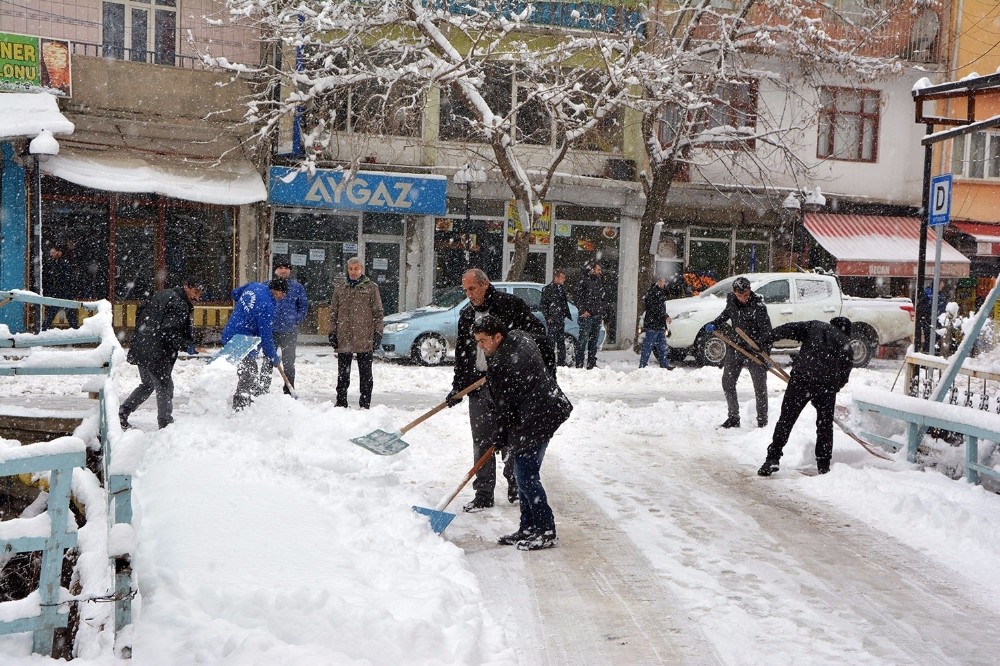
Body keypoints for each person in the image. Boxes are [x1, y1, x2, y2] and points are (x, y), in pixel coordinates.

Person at [446, 268, 553, 512]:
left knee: (511, 438)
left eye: (472, 288)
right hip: (478, 385)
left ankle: (517, 485)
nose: (469, 294)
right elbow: (463, 356)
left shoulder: (511, 306)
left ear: (485, 285)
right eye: (465, 290)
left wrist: (511, 356)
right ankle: (483, 493)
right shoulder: (466, 315)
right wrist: (457, 387)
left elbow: (537, 334)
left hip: (508, 386)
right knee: (482, 440)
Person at [471, 314, 572, 550]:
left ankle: (545, 530)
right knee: (523, 470)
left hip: (537, 417)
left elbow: (506, 410)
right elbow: (544, 342)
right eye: (478, 341)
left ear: (499, 336)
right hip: (547, 408)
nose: (481, 346)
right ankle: (528, 527)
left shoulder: (504, 365)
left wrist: (500, 436)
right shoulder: (518, 336)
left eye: (484, 340)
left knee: (526, 474)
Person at [757, 317, 855, 476]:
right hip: (826, 386)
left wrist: (768, 338)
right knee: (824, 427)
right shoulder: (847, 346)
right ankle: (823, 467)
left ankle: (772, 458)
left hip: (802, 379)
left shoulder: (815, 326)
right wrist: (827, 392)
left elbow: (788, 329)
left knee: (786, 420)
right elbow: (843, 378)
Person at [119, 277, 203, 429]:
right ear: (186, 287)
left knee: (148, 384)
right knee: (165, 386)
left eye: (199, 293)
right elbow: (169, 331)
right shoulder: (179, 303)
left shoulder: (164, 294)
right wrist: (187, 346)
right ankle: (165, 423)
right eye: (195, 292)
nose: (197, 297)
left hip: (142, 345)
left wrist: (143, 335)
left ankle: (123, 412)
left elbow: (141, 312)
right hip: (156, 351)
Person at [704, 276, 772, 428]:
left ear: (750, 291)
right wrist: (714, 323)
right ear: (734, 293)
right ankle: (733, 417)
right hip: (736, 346)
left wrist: (766, 354)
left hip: (755, 350)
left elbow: (767, 332)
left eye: (746, 295)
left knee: (760, 386)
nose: (743, 298)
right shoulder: (732, 302)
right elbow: (725, 315)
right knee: (727, 382)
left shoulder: (759, 307)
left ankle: (762, 421)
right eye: (739, 295)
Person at [222, 278, 288, 411]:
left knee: (246, 370)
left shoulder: (255, 286)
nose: (283, 297)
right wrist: (273, 356)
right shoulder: (267, 305)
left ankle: (250, 400)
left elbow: (235, 294)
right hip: (243, 340)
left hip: (231, 332)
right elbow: (266, 336)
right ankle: (240, 406)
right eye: (283, 293)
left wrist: (245, 311)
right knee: (249, 372)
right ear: (276, 290)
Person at [328, 257, 384, 409]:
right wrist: (332, 331)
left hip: (364, 337)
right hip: (344, 336)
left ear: (362, 270)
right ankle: (341, 403)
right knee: (342, 374)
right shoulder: (340, 288)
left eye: (356, 269)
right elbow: (333, 312)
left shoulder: (371, 288)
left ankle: (365, 404)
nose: (353, 272)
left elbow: (378, 313)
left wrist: (378, 332)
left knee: (365, 374)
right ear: (347, 269)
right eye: (351, 269)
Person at [262, 261, 309, 394]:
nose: (283, 270)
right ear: (275, 270)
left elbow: (303, 306)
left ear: (290, 270)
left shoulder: (297, 287)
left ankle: (289, 389)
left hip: (289, 330)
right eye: (280, 268)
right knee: (268, 360)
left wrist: (295, 320)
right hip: (270, 330)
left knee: (289, 362)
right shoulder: (267, 285)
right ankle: (263, 388)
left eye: (286, 268)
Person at [573, 261, 606, 369]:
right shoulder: (583, 281)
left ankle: (591, 363)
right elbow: (577, 297)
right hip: (587, 316)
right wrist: (582, 311)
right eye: (598, 270)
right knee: (582, 340)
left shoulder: (598, 281)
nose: (599, 272)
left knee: (594, 341)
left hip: (597, 315)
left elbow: (601, 299)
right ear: (592, 269)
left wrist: (601, 312)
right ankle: (579, 363)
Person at [639, 277, 674, 370]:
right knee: (649, 345)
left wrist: (664, 317)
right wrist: (665, 316)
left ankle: (664, 364)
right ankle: (643, 365)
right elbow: (656, 308)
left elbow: (659, 307)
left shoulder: (658, 292)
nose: (665, 284)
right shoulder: (653, 293)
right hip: (653, 323)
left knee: (662, 345)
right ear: (658, 282)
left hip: (658, 323)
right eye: (663, 282)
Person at [42, 244, 78, 329]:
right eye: (51, 253)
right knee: (67, 313)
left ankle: (44, 329)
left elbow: (67, 278)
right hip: (62, 292)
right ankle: (75, 330)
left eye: (53, 252)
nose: (51, 254)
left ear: (59, 252)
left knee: (56, 312)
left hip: (64, 292)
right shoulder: (57, 262)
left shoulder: (64, 263)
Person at [540, 268, 572, 366]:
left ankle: (561, 361)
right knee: (551, 341)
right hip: (552, 319)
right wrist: (548, 316)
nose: (563, 280)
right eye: (562, 278)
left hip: (560, 318)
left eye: (564, 278)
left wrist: (565, 314)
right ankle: (550, 361)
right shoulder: (548, 289)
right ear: (556, 278)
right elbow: (543, 304)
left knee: (561, 341)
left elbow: (564, 303)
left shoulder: (562, 289)